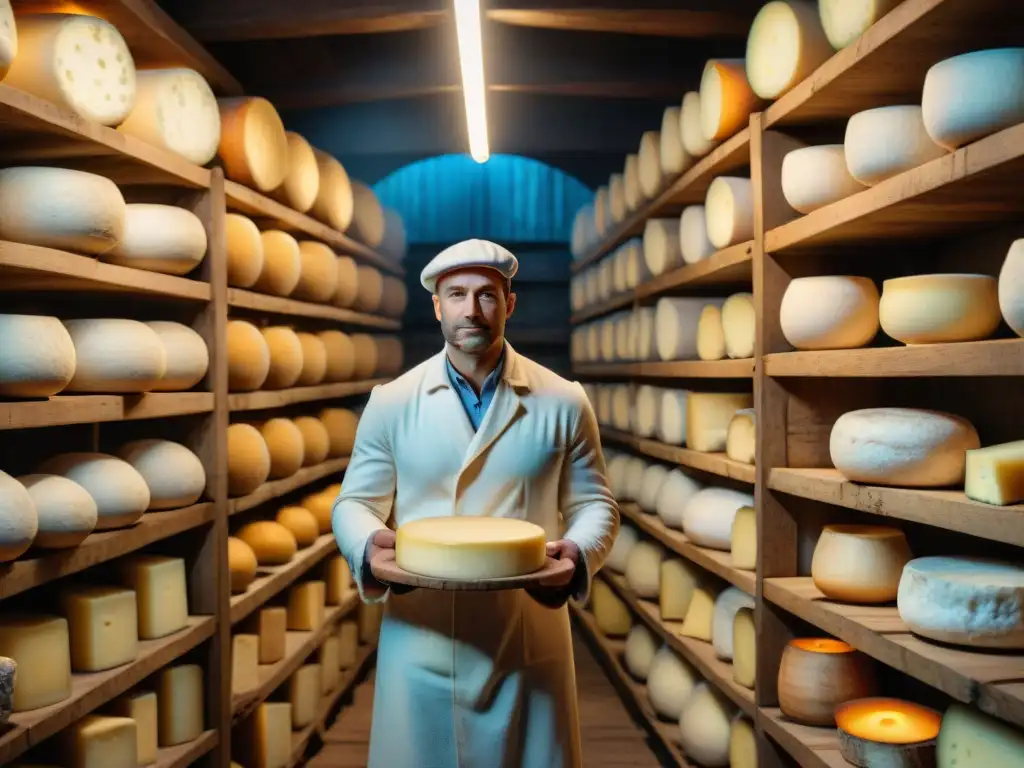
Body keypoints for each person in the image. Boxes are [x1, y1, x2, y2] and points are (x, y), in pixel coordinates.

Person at [331, 238, 619, 768]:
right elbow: (353, 503)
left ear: (509, 304)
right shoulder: (392, 401)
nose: (471, 309)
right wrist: (368, 546)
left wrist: (577, 554)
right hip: (423, 637)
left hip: (524, 636)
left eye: (487, 295)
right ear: (437, 306)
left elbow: (596, 504)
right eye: (456, 294)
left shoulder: (562, 399)